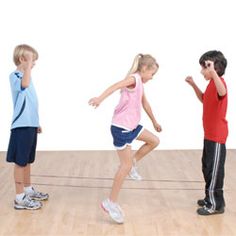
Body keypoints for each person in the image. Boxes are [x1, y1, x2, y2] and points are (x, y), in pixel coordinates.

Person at [89, 54, 162, 223]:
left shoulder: (141, 84)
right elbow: (115, 86)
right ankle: (110, 202)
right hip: (121, 128)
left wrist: (155, 121)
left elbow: (145, 104)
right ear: (144, 69)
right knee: (125, 165)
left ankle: (133, 163)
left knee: (154, 141)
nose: (153, 77)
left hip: (132, 126)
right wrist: (100, 98)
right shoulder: (133, 79)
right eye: (152, 73)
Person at [6, 44, 49, 210]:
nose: (34, 64)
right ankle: (19, 198)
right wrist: (27, 67)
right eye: (32, 60)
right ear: (22, 59)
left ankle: (27, 189)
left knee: (28, 160)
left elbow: (30, 103)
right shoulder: (16, 76)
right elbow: (23, 85)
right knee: (20, 162)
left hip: (30, 124)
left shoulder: (27, 77)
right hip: (21, 126)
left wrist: (36, 122)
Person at [185, 50, 228, 215]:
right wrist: (194, 84)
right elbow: (204, 99)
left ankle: (215, 205)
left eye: (204, 68)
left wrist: (213, 72)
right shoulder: (211, 85)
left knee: (215, 172)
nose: (201, 71)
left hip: (217, 137)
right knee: (207, 168)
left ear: (214, 69)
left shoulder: (220, 83)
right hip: (208, 135)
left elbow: (222, 92)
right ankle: (210, 197)